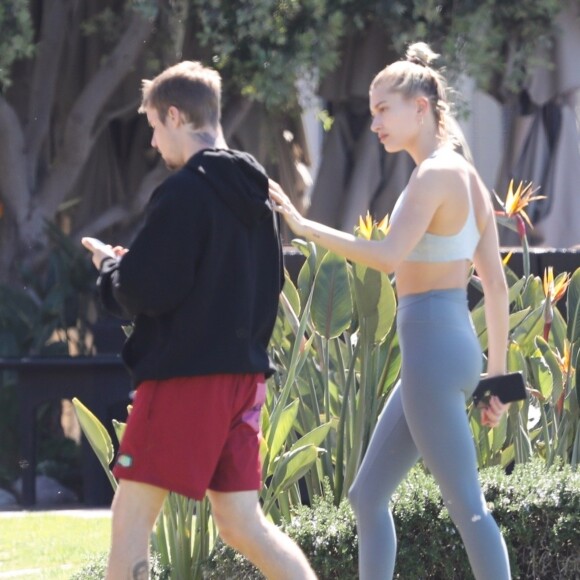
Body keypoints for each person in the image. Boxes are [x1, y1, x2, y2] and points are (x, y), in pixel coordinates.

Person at [269, 42, 512, 579]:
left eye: (383, 108)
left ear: (420, 107)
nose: (373, 119)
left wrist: (307, 228)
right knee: (367, 496)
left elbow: (385, 257)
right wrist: (496, 379)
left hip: (430, 351)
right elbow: (495, 287)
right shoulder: (467, 176)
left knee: (469, 510)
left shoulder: (432, 176)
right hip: (448, 349)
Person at [83, 61, 316, 580]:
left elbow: (144, 289)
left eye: (153, 126)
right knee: (240, 523)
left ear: (173, 115)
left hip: (186, 378)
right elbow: (250, 283)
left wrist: (110, 269)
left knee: (131, 515)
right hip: (243, 378)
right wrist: (133, 267)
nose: (152, 141)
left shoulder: (185, 190)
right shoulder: (256, 191)